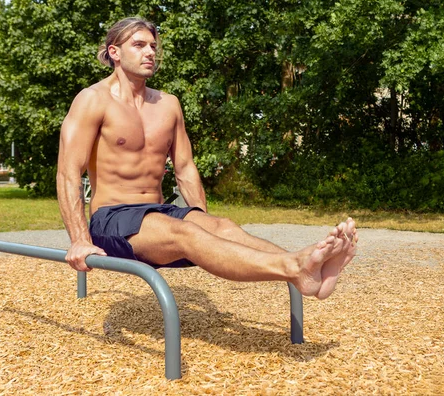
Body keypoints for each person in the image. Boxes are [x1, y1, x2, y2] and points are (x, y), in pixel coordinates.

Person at [57, 17, 357, 300]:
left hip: (157, 211)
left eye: (152, 46)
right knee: (186, 232)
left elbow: (185, 168)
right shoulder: (93, 100)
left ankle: (306, 266)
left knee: (223, 226)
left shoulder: (168, 105)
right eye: (139, 45)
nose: (150, 52)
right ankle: (297, 267)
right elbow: (69, 173)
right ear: (115, 52)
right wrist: (80, 239)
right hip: (113, 219)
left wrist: (202, 219)